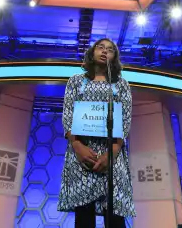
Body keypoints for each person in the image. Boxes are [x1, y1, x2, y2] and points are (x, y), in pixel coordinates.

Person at [58, 38, 135, 228]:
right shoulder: (76, 81)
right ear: (92, 52)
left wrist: (112, 153)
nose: (104, 51)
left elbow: (125, 120)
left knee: (115, 217)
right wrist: (77, 147)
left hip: (112, 156)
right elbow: (67, 114)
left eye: (110, 50)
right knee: (84, 217)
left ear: (114, 57)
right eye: (100, 47)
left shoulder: (121, 84)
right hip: (82, 153)